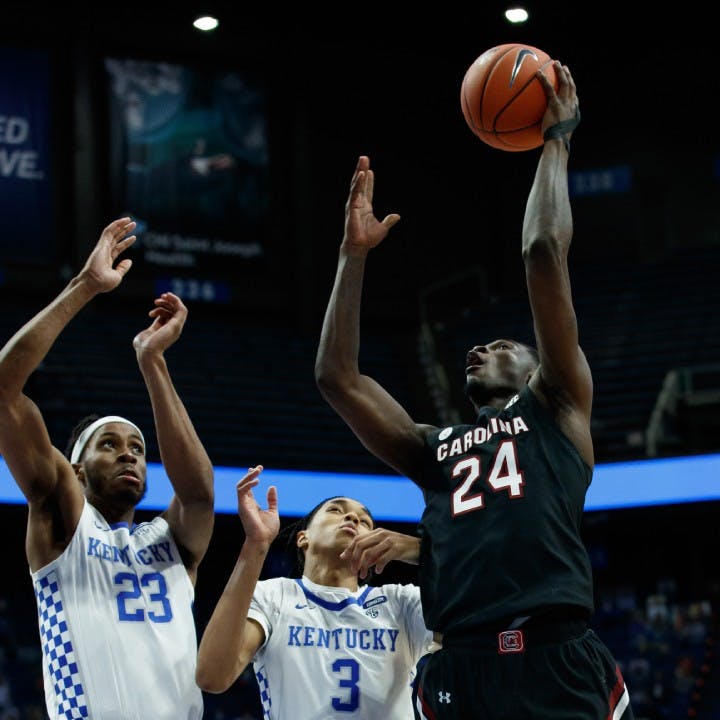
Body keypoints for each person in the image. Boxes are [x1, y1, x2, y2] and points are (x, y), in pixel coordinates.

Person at [314, 63, 634, 719]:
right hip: (461, 664)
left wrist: (557, 139)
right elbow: (337, 379)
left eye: (500, 346)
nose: (476, 349)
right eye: (477, 347)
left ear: (538, 364)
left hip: (558, 658)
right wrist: (353, 258)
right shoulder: (437, 447)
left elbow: (542, 250)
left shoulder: (558, 404)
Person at [0, 217, 215, 720]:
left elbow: (201, 496)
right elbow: (4, 389)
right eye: (110, 445)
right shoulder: (64, 524)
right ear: (74, 470)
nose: (129, 454)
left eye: (138, 447)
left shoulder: (173, 544)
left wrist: (153, 362)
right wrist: (86, 286)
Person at [196, 465, 437, 719]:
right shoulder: (274, 595)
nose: (353, 519)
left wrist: (421, 551)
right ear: (303, 538)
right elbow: (212, 676)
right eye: (336, 510)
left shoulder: (401, 602)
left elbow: (475, 623)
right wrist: (255, 544)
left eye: (364, 521)